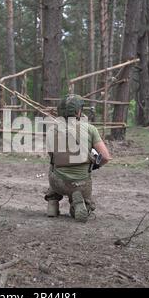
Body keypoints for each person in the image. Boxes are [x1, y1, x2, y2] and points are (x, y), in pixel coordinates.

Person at [44, 94, 112, 223]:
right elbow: (106, 157)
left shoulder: (52, 130)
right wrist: (94, 164)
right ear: (78, 111)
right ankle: (80, 204)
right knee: (82, 188)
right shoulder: (90, 129)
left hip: (58, 183)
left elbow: (51, 155)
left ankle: (52, 203)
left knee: (53, 166)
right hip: (82, 183)